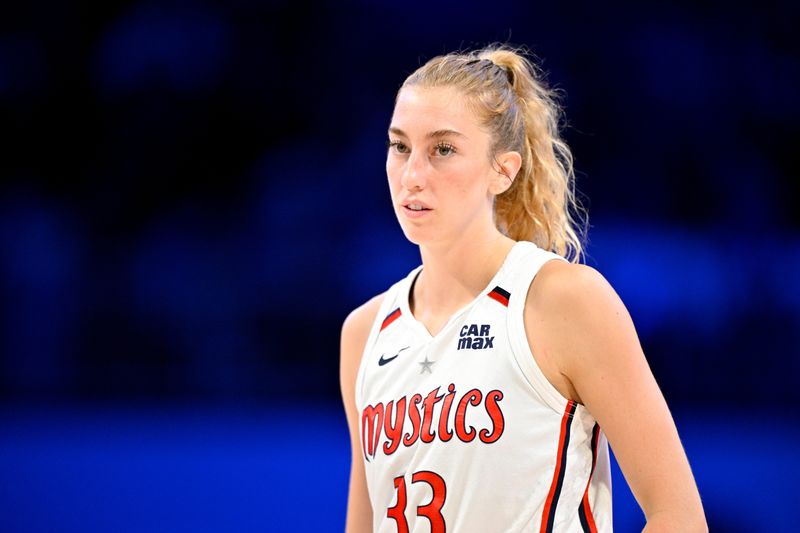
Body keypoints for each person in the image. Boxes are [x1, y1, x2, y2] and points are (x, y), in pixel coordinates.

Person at [339, 43, 707, 532]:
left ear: (503, 169)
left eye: (442, 149)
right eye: (400, 146)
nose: (412, 175)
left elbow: (679, 516)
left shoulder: (564, 301)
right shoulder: (364, 333)